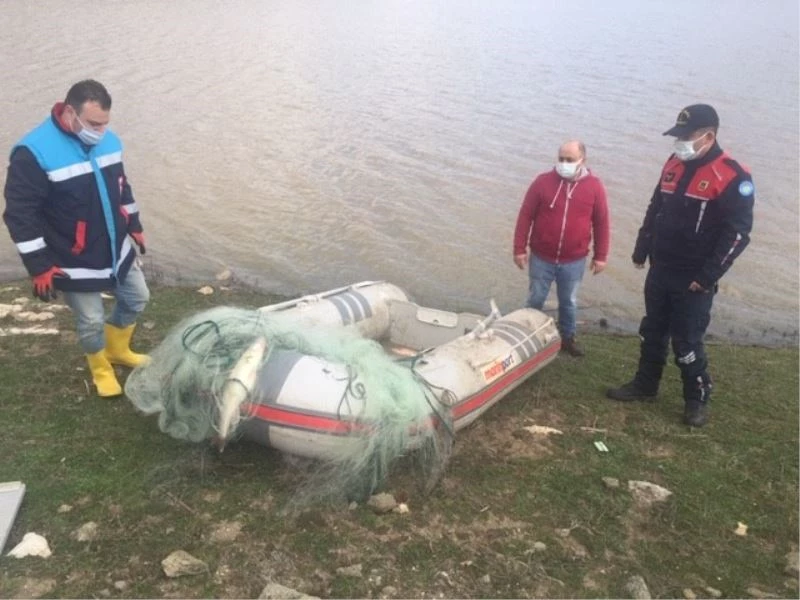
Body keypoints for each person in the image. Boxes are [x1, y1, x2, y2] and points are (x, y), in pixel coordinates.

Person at [606, 104, 754, 427]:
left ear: (709, 136)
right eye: (678, 136)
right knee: (652, 330)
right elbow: (656, 206)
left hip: (694, 278)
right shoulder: (673, 163)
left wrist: (707, 276)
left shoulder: (732, 175)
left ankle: (696, 399)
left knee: (686, 341)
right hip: (661, 268)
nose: (680, 142)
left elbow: (738, 234)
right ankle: (645, 385)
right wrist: (641, 248)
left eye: (686, 137)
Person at [3, 79, 150, 398]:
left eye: (105, 124)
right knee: (91, 319)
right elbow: (19, 214)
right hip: (71, 256)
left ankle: (117, 350)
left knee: (137, 298)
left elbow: (122, 186)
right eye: (94, 124)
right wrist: (39, 265)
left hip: (114, 246)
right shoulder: (33, 153)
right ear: (71, 112)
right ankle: (100, 367)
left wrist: (134, 223)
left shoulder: (108, 140)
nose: (100, 131)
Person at [513, 140, 610, 357]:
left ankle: (567, 339)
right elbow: (525, 215)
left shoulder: (594, 186)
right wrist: (519, 248)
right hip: (541, 257)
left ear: (582, 160)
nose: (564, 163)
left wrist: (601, 255)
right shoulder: (542, 182)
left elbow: (602, 222)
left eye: (570, 160)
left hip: (574, 260)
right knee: (535, 299)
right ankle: (527, 336)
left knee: (568, 303)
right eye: (561, 159)